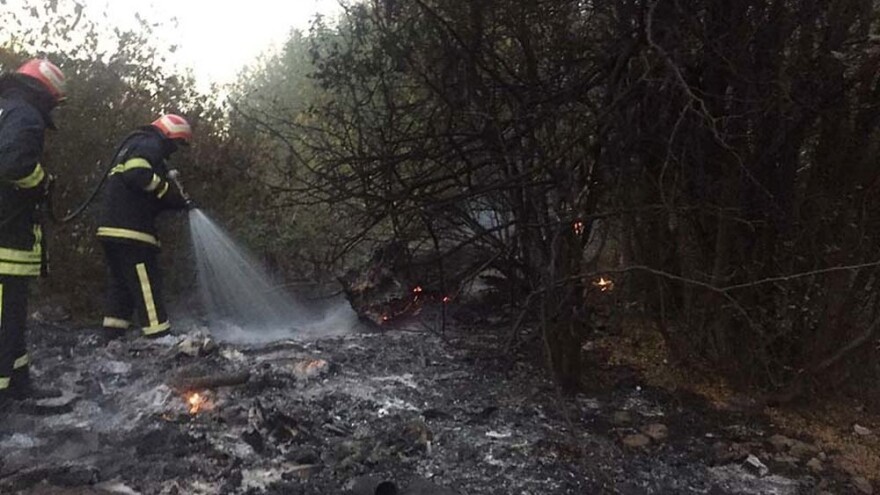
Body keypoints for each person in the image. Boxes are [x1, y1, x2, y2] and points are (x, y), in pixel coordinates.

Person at [0, 59, 67, 406]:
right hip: (6, 241)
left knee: (11, 320)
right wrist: (41, 182)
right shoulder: (25, 115)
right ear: (46, 94)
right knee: (4, 323)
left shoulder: (7, 109)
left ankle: (18, 383)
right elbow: (14, 166)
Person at [96, 114, 193, 341]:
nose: (173, 151)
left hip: (113, 230)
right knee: (147, 283)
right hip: (131, 232)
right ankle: (159, 336)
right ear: (168, 135)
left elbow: (145, 192)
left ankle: (112, 335)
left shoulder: (136, 145)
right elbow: (137, 173)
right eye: (176, 144)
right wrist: (167, 190)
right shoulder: (150, 143)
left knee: (122, 284)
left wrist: (176, 202)